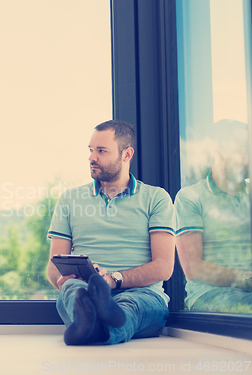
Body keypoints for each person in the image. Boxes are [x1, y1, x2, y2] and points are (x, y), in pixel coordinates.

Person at [46, 120, 175, 345]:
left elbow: (164, 267)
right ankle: (97, 323)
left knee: (131, 306)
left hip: (143, 295)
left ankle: (93, 327)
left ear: (126, 154)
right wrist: (60, 278)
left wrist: (113, 280)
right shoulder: (69, 200)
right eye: (91, 150)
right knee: (73, 290)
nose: (92, 157)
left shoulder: (157, 199)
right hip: (86, 289)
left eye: (101, 151)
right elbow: (53, 265)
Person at [175, 120, 252, 313]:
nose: (249, 156)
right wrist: (247, 278)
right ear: (219, 152)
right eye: (244, 149)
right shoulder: (190, 197)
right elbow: (193, 268)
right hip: (209, 295)